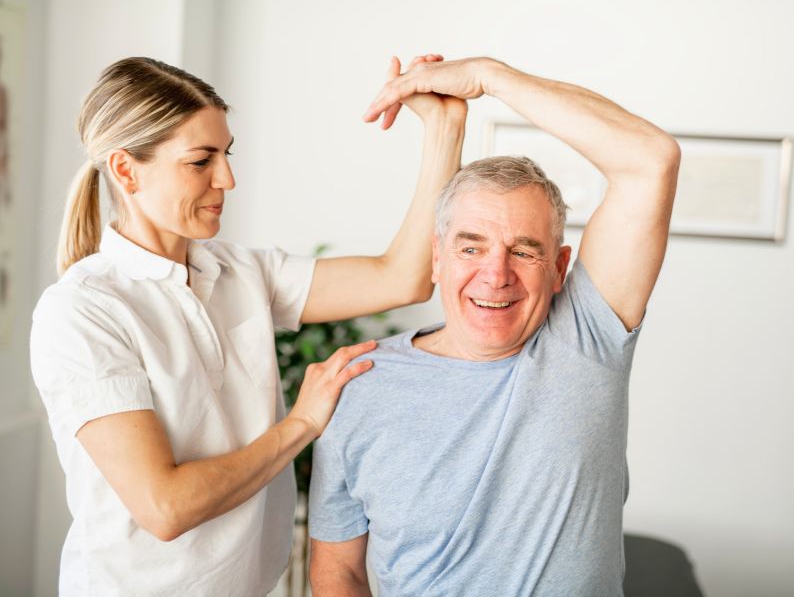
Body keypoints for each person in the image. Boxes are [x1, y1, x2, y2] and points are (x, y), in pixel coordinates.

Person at [29, 55, 466, 596]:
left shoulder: (241, 272)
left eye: (226, 154)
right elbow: (164, 507)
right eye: (200, 161)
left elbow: (404, 278)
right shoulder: (83, 310)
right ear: (126, 170)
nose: (227, 179)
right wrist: (302, 423)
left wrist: (444, 128)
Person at [308, 56, 681, 596]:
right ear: (436, 259)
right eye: (471, 247)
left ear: (558, 268)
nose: (496, 274)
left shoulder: (586, 337)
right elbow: (336, 568)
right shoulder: (359, 384)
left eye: (524, 251)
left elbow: (651, 159)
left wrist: (489, 77)